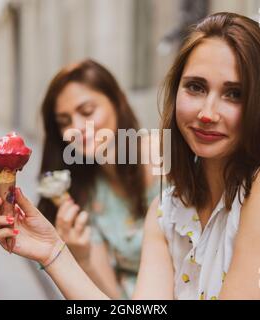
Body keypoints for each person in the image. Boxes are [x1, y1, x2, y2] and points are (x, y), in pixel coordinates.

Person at [0, 12, 260, 299]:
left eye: (234, 94)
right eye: (196, 87)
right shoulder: (168, 209)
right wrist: (52, 251)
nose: (207, 111)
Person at [30, 59, 158, 299]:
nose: (77, 127)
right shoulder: (83, 195)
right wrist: (82, 259)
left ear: (118, 102)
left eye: (87, 111)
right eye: (64, 122)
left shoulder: (168, 162)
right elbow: (112, 299)